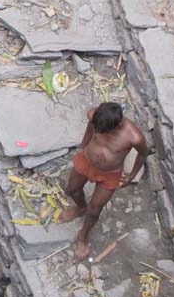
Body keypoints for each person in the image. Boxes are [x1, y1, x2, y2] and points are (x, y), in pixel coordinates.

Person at [59, 102, 147, 262]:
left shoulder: (134, 137)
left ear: (117, 125)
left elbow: (142, 154)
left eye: (103, 131)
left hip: (110, 173)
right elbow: (90, 127)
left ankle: (82, 238)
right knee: (72, 189)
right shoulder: (95, 116)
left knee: (94, 210)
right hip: (87, 159)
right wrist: (83, 145)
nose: (98, 132)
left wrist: (132, 174)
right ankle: (80, 207)